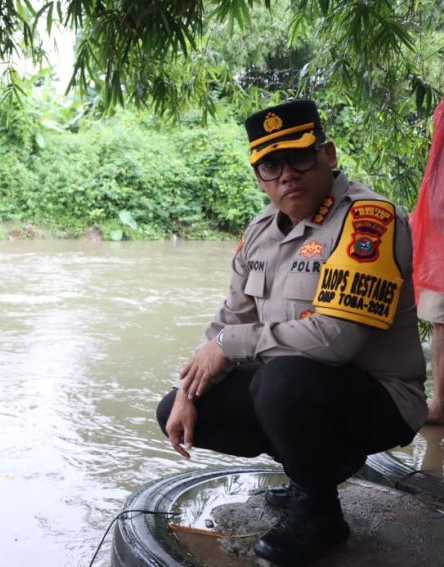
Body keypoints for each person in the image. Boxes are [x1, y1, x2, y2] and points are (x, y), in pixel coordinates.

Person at [156, 99, 426, 566]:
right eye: (270, 164)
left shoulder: (368, 222)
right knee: (179, 409)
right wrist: (187, 389)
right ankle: (311, 473)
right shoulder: (260, 230)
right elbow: (231, 318)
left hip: (380, 399)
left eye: (300, 156)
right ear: (258, 175)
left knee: (281, 381)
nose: (287, 174)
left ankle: (319, 511)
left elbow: (335, 341)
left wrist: (229, 346)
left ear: (329, 155)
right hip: (300, 392)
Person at [411, 96, 444, 439]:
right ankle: (441, 404)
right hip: (439, 224)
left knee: (441, 323)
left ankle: (441, 405)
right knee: (441, 322)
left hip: (439, 221)